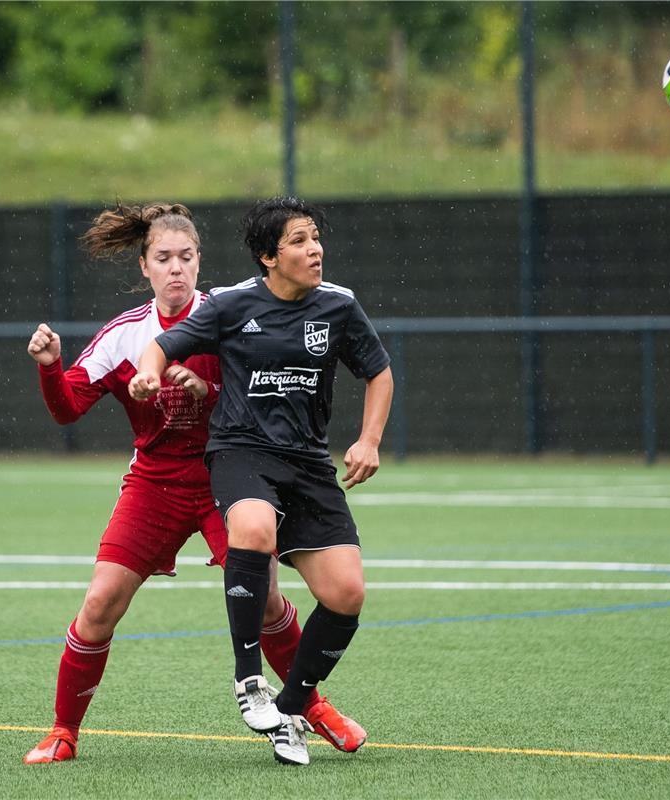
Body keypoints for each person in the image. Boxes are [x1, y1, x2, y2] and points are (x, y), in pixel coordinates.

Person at [22, 202, 365, 765]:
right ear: (144, 266)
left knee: (267, 599)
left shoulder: (230, 313)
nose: (176, 268)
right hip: (154, 484)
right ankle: (63, 731)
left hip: (227, 474)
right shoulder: (123, 337)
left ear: (200, 261)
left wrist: (211, 394)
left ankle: (310, 707)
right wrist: (50, 366)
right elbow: (67, 410)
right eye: (163, 258)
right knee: (101, 600)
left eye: (186, 257)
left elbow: (269, 389)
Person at [129, 196, 394, 766]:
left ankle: (292, 709)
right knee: (252, 527)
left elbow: (378, 371)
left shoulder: (340, 307)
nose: (314, 249)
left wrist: (369, 439)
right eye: (299, 241)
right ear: (268, 256)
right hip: (241, 452)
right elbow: (161, 344)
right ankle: (248, 680)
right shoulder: (230, 305)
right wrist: (149, 375)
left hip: (308, 464)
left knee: (346, 595)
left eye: (315, 237)